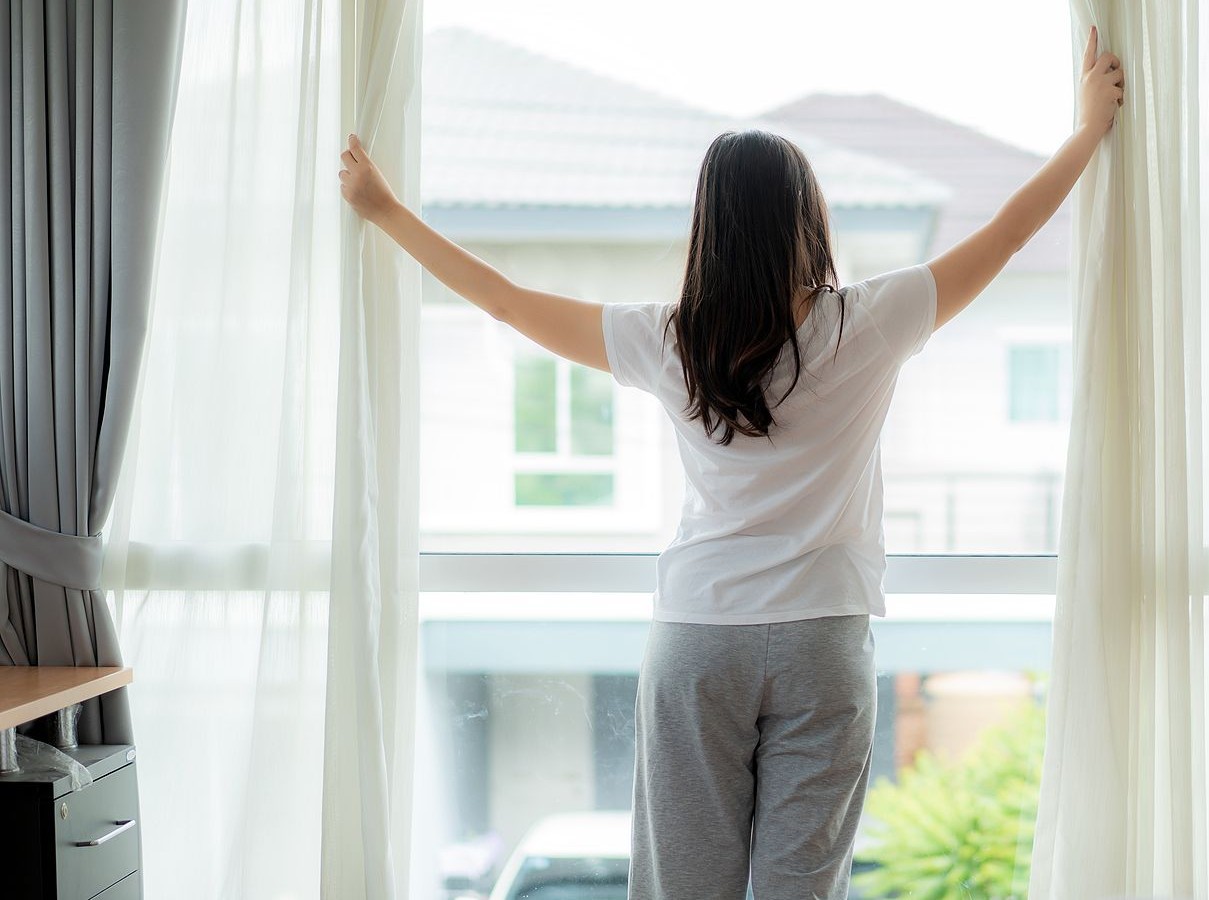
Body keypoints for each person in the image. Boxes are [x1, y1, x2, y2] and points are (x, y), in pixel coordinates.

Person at [340, 25, 1123, 900]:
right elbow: (1010, 234)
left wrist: (385, 210)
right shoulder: (870, 322)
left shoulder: (671, 341)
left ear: (708, 229)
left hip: (698, 642)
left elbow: (506, 302)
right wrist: (1087, 130)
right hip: (823, 641)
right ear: (807, 219)